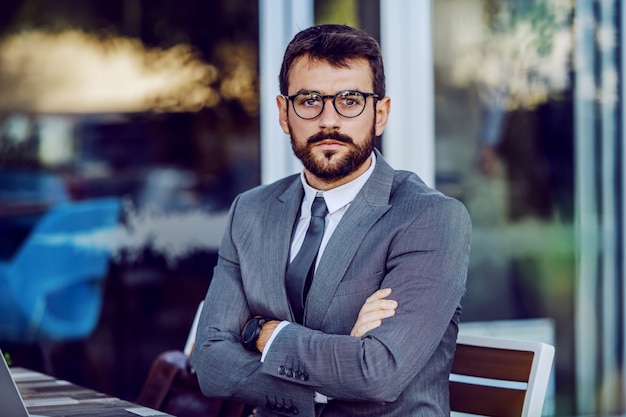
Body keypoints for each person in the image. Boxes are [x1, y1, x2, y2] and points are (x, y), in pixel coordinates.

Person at [191, 24, 472, 417]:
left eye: (350, 100)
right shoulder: (250, 212)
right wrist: (328, 381)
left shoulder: (429, 218)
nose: (329, 121)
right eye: (309, 100)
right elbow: (210, 362)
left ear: (381, 113)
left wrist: (265, 334)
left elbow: (377, 372)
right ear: (284, 114)